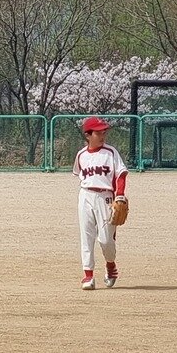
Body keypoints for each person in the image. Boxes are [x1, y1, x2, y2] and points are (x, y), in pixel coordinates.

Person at [73, 115, 127, 290]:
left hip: (106, 197)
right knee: (86, 235)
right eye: (98, 132)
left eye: (103, 132)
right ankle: (88, 275)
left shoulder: (110, 152)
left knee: (106, 240)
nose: (103, 135)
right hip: (86, 195)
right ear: (88, 135)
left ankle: (110, 265)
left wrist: (120, 195)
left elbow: (121, 174)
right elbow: (79, 174)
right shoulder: (81, 155)